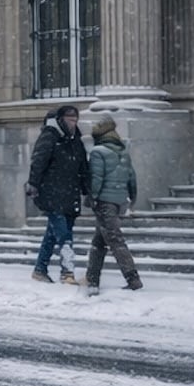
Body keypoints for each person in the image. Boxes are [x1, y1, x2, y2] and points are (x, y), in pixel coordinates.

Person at [25, 105, 88, 284]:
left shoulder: (76, 140)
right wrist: (33, 185)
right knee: (64, 236)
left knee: (53, 234)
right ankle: (67, 272)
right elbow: (38, 162)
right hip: (52, 194)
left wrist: (87, 190)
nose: (73, 123)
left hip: (70, 194)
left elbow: (83, 167)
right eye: (70, 120)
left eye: (75, 120)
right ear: (60, 120)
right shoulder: (50, 136)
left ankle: (40, 269)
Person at [83, 115, 142, 294]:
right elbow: (132, 178)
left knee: (115, 240)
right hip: (119, 201)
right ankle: (92, 279)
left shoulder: (98, 152)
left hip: (104, 201)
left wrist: (91, 197)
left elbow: (96, 179)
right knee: (99, 241)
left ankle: (133, 278)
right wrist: (132, 198)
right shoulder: (123, 152)